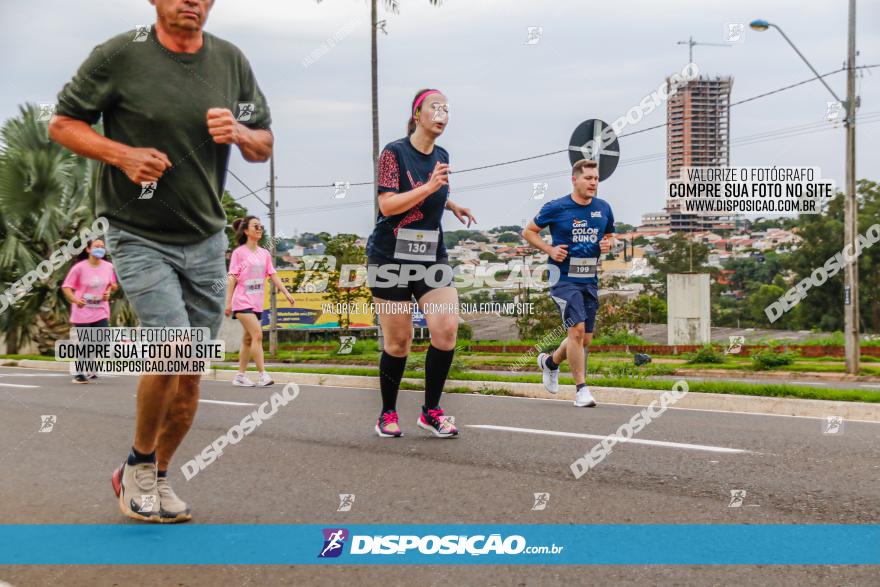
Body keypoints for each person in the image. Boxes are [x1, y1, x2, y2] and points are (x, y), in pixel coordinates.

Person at [48, 0, 273, 523]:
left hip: (205, 237)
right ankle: (140, 470)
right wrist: (122, 155)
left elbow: (263, 144)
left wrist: (239, 134)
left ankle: (152, 472)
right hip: (136, 230)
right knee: (170, 345)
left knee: (191, 372)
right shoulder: (119, 55)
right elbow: (63, 124)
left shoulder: (231, 61)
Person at [365, 88, 476, 438]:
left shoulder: (442, 153)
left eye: (447, 108)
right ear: (417, 114)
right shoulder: (393, 153)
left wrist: (449, 204)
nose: (442, 113)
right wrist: (429, 190)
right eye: (435, 107)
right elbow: (388, 205)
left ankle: (431, 411)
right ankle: (387, 412)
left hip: (431, 255)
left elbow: (432, 189)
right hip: (389, 257)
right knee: (399, 343)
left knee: (445, 329)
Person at [522, 159, 617, 407]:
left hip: (589, 280)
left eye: (596, 179)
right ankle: (581, 390)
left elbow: (609, 235)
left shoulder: (603, 208)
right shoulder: (557, 207)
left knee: (584, 339)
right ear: (574, 179)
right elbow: (529, 231)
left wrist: (609, 244)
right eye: (588, 178)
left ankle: (550, 363)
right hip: (563, 279)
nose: (593, 183)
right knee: (575, 331)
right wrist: (549, 249)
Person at [225, 216, 295, 387]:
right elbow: (232, 277)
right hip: (241, 302)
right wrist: (228, 302)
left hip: (256, 303)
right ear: (246, 231)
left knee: (248, 340)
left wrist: (286, 292)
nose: (259, 229)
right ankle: (263, 375)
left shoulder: (264, 253)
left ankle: (240, 376)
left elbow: (273, 274)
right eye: (255, 226)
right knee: (257, 335)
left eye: (261, 226)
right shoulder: (239, 253)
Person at [61, 239, 119, 384]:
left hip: (101, 310)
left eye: (102, 247)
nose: (100, 249)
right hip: (82, 311)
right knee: (87, 342)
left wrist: (109, 292)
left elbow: (114, 285)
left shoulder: (108, 266)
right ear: (88, 249)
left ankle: (90, 363)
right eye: (96, 247)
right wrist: (75, 300)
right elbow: (66, 287)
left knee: (103, 342)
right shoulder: (79, 268)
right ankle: (79, 374)